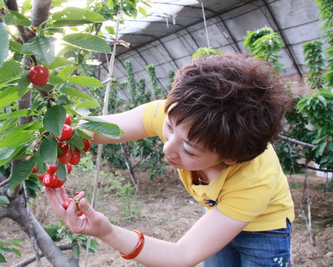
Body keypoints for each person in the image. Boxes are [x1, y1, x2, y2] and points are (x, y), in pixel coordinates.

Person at [44, 53, 295, 266]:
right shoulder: (182, 116)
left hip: (264, 232)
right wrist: (52, 142)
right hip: (218, 212)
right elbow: (99, 128)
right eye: (168, 128)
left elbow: (184, 254)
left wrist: (107, 232)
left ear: (228, 159)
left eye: (189, 150)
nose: (168, 148)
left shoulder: (253, 181)